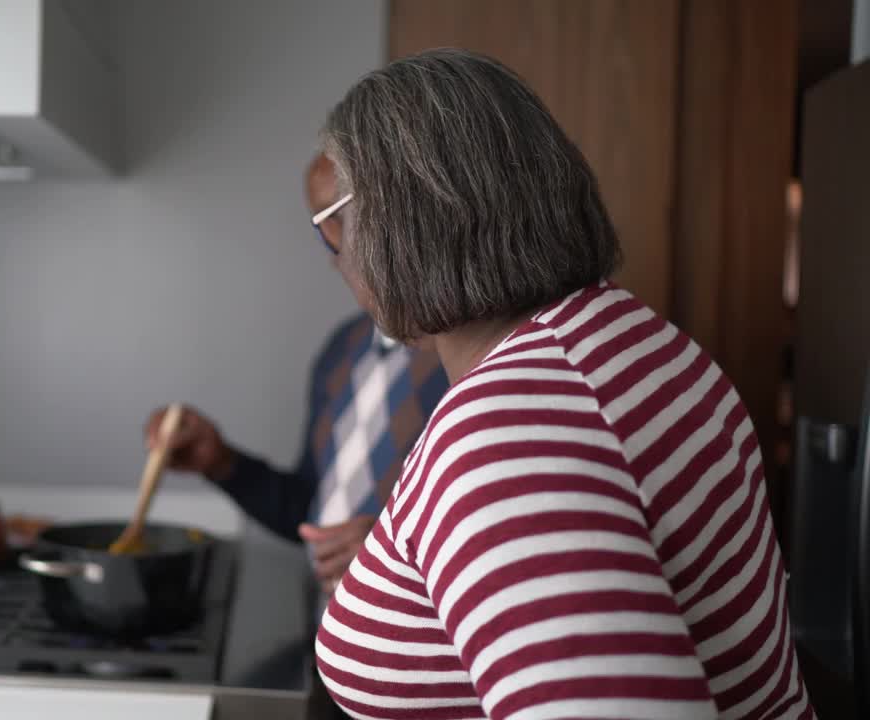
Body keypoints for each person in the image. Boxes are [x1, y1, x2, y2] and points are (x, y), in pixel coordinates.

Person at [313, 49, 814, 720]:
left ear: (397, 221)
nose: (337, 251)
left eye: (334, 225)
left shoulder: (502, 436)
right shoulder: (631, 339)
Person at [143, 154, 449, 596]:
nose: (339, 243)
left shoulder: (473, 356)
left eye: (347, 214)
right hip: (332, 649)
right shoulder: (341, 352)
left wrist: (399, 548)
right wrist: (222, 462)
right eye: (326, 222)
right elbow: (313, 515)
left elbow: (502, 530)